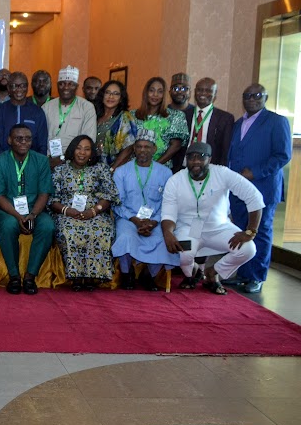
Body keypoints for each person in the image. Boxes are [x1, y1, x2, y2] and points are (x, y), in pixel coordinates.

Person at [162, 142, 264, 295]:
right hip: (190, 229)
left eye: (201, 157)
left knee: (248, 249)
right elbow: (168, 213)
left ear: (209, 159)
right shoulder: (175, 180)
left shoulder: (222, 173)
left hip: (219, 228)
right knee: (182, 255)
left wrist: (251, 231)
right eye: (191, 157)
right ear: (186, 160)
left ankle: (213, 273)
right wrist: (168, 233)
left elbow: (254, 197)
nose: (196, 161)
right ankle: (194, 272)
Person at [226, 84, 292, 293]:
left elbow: (283, 155)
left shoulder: (276, 121)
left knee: (260, 231)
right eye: (248, 95)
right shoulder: (238, 124)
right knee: (240, 230)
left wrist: (256, 171)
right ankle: (243, 273)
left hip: (263, 187)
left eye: (257, 95)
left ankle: (257, 276)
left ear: (266, 97)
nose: (252, 99)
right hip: (238, 189)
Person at [49, 135, 120, 291]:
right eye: (79, 148)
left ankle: (92, 277)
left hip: (95, 212)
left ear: (92, 152)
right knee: (69, 231)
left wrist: (94, 211)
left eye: (87, 149)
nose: (82, 152)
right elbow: (52, 198)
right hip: (67, 212)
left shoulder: (100, 168)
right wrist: (67, 210)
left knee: (102, 230)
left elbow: (109, 195)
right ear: (72, 150)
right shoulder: (60, 169)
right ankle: (76, 276)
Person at [111, 129, 179, 291]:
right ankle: (127, 274)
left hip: (156, 220)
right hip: (128, 219)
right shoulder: (121, 172)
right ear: (134, 148)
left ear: (154, 149)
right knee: (125, 237)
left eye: (147, 147)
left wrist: (154, 221)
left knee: (164, 240)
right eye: (139, 146)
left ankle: (149, 275)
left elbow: (168, 203)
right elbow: (117, 202)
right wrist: (135, 219)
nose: (143, 150)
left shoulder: (165, 173)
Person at [0, 124, 54, 295]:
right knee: (8, 225)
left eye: (28, 139)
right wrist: (19, 216)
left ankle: (30, 276)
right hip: (8, 211)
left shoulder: (41, 160)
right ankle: (14, 276)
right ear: (9, 140)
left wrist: (33, 214)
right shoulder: (0, 161)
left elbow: (44, 192)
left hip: (36, 210)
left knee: (48, 226)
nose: (23, 142)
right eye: (19, 138)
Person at [174, 77, 235, 171]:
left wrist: (221, 172)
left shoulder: (225, 118)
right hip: (183, 167)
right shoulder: (184, 115)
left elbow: (225, 150)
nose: (203, 93)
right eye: (200, 90)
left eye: (208, 91)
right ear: (194, 92)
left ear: (215, 94)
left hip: (210, 169)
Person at [43, 66, 96, 166]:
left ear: (76, 86)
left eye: (70, 84)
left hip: (75, 162)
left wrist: (65, 158)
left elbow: (89, 140)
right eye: (62, 84)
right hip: (48, 161)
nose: (66, 87)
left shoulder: (87, 108)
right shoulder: (46, 107)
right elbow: (40, 137)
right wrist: (47, 160)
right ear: (57, 86)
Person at [0, 71, 48, 158]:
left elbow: (42, 144)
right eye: (14, 86)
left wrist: (36, 164)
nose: (19, 89)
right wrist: (5, 161)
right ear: (8, 88)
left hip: (31, 165)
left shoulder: (37, 112)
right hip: (5, 164)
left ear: (27, 88)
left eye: (23, 85)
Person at [133, 77, 189, 166]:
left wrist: (154, 166)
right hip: (135, 167)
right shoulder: (132, 115)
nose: (155, 95)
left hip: (161, 168)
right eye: (152, 90)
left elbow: (175, 146)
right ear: (146, 93)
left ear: (164, 95)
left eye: (160, 91)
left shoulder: (175, 116)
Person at [93, 80, 136, 170]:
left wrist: (113, 169)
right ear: (102, 95)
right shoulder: (95, 115)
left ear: (121, 99)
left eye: (116, 94)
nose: (111, 96)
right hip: (94, 168)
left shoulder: (124, 117)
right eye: (107, 93)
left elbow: (129, 148)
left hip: (116, 169)